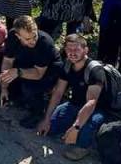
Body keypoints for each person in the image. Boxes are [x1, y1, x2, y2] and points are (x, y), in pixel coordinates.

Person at [36, 33, 109, 161]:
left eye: (76, 49)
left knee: (87, 127)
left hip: (96, 109)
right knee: (49, 129)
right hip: (75, 104)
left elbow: (91, 102)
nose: (72, 53)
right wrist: (46, 119)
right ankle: (71, 128)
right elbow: (58, 92)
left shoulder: (95, 71)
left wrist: (76, 127)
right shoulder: (68, 65)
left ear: (85, 50)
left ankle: (83, 146)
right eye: (69, 49)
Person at [0, 15, 59, 128]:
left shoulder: (45, 43)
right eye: (27, 39)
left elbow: (38, 74)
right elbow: (7, 61)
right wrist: (4, 87)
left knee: (29, 86)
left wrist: (18, 72)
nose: (33, 41)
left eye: (34, 36)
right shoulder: (12, 36)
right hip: (26, 62)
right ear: (18, 36)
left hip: (47, 70)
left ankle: (38, 111)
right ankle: (18, 99)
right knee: (4, 79)